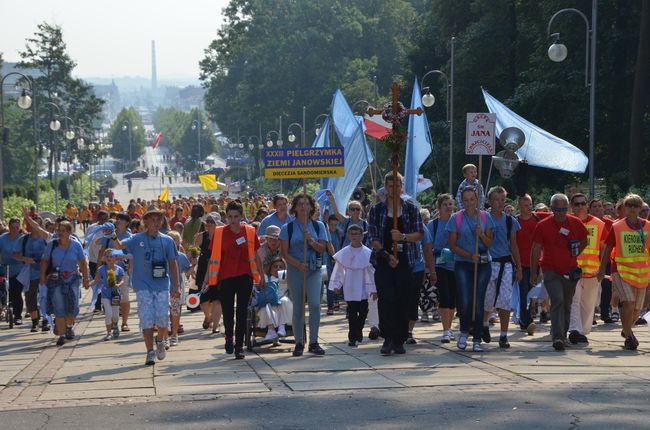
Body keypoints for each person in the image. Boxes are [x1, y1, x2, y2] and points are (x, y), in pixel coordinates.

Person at [113, 208, 180, 365]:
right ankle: (150, 352)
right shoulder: (137, 239)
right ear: (146, 222)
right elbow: (120, 245)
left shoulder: (167, 240)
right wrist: (113, 235)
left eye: (158, 220)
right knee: (147, 320)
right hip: (143, 285)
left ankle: (160, 341)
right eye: (152, 220)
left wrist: (176, 286)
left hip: (162, 285)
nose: (156, 223)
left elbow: (173, 263)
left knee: (163, 318)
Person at [368, 172, 424, 355]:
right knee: (386, 300)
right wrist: (386, 255)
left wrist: (403, 237)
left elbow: (419, 234)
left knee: (403, 300)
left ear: (402, 187)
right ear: (386, 187)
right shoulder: (377, 210)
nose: (394, 190)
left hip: (406, 260)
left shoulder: (411, 209)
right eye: (390, 186)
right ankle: (388, 338)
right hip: (384, 261)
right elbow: (373, 237)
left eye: (397, 186)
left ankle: (399, 339)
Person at [206, 201, 265, 360]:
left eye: (236, 216)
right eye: (230, 217)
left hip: (245, 276)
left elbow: (257, 255)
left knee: (242, 311)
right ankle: (229, 338)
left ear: (242, 216)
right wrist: (208, 280)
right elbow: (213, 258)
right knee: (228, 311)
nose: (233, 220)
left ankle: (239, 345)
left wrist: (261, 276)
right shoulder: (219, 233)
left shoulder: (250, 231)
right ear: (226, 216)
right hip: (225, 278)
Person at [530, 194, 588, 351]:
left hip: (570, 271)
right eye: (557, 209)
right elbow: (535, 248)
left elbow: (585, 240)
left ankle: (563, 334)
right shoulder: (543, 225)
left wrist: (576, 252)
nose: (561, 213)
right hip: (550, 270)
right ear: (552, 209)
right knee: (558, 300)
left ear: (567, 208)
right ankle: (557, 337)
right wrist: (534, 272)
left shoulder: (575, 223)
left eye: (563, 209)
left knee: (567, 304)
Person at [597, 193, 650, 350]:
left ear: (640, 208)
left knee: (636, 310)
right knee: (628, 302)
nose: (632, 208)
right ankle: (629, 336)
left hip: (641, 272)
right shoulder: (618, 226)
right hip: (620, 270)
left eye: (636, 206)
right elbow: (607, 249)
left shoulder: (647, 226)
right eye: (629, 206)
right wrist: (601, 270)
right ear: (625, 208)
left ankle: (626, 329)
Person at [279, 193, 328, 357]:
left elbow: (322, 248)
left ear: (311, 207)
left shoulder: (318, 226)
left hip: (314, 270)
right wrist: (298, 265)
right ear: (295, 207)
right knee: (298, 307)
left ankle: (314, 342)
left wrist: (311, 240)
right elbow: (284, 253)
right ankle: (299, 342)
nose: (303, 207)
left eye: (306, 204)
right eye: (300, 204)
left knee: (314, 304)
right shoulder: (288, 228)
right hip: (296, 270)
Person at [447, 187, 494, 352]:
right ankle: (464, 331)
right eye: (465, 200)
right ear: (462, 201)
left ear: (477, 200)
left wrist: (481, 235)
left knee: (478, 301)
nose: (469, 203)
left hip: (483, 263)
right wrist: (468, 255)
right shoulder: (456, 218)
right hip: (463, 263)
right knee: (465, 300)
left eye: (472, 199)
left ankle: (477, 338)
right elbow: (452, 245)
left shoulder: (485, 217)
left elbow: (489, 243)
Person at [482, 186, 522, 348]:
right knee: (488, 298)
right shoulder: (484, 218)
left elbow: (513, 245)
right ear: (490, 201)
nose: (499, 203)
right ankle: (484, 324)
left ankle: (504, 335)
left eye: (502, 200)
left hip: (505, 264)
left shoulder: (509, 220)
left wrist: (518, 267)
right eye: (496, 200)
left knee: (505, 300)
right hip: (488, 262)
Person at [39, 221, 90, 346]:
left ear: (69, 232)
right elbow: (45, 261)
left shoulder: (76, 245)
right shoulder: (52, 245)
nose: (60, 233)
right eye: (59, 230)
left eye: (63, 230)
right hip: (56, 279)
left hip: (72, 279)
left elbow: (83, 262)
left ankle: (69, 326)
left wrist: (86, 279)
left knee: (73, 308)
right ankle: (61, 335)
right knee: (59, 306)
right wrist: (42, 277)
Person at [329, 224, 377, 347]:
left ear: (362, 236)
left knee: (363, 311)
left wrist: (373, 288)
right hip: (349, 285)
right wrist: (337, 285)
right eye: (352, 234)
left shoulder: (367, 252)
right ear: (349, 236)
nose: (354, 236)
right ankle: (352, 337)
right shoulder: (344, 252)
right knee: (351, 313)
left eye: (357, 234)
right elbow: (339, 270)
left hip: (362, 286)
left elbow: (371, 272)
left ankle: (359, 330)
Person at [568, 193, 606, 345]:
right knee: (574, 301)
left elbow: (604, 248)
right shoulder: (568, 222)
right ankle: (574, 330)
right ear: (572, 206)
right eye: (576, 204)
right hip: (573, 270)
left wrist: (602, 269)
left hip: (592, 271)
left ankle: (582, 331)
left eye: (583, 203)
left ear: (587, 206)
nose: (580, 206)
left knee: (589, 305)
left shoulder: (599, 224)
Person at [428, 193, 456, 343]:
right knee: (444, 295)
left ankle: (450, 328)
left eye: (450, 204)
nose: (448, 207)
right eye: (445, 204)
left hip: (456, 265)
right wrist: (431, 270)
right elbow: (428, 247)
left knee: (453, 298)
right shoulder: (433, 225)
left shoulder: (458, 222)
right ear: (439, 207)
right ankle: (445, 330)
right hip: (439, 264)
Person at [12, 216, 48, 332]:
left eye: (36, 224)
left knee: (45, 297)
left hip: (44, 273)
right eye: (31, 225)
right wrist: (24, 259)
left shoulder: (45, 238)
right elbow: (14, 254)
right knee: (30, 298)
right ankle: (35, 322)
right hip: (30, 273)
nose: (34, 227)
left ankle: (45, 321)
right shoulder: (24, 239)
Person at [193, 212, 223, 331]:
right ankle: (208, 318)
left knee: (217, 301)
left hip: (219, 270)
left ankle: (215, 326)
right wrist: (193, 258)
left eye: (212, 222)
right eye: (208, 221)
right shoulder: (201, 236)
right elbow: (193, 250)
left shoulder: (221, 236)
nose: (209, 224)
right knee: (204, 302)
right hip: (203, 269)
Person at [89, 249, 124, 341]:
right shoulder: (101, 269)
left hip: (115, 294)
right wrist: (88, 284)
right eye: (107, 256)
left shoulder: (119, 269)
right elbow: (96, 280)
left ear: (115, 258)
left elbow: (122, 280)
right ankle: (109, 333)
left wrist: (119, 285)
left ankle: (115, 325)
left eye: (111, 256)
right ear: (104, 258)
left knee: (115, 315)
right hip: (105, 294)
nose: (109, 258)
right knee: (108, 313)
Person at [258, 257, 293, 343]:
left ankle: (282, 327)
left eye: (280, 267)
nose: (278, 268)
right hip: (270, 302)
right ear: (270, 268)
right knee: (268, 304)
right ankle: (271, 330)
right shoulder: (265, 277)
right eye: (275, 266)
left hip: (283, 302)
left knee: (283, 301)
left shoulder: (286, 278)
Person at [0, 218, 25, 325]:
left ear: (19, 228)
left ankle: (17, 315)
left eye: (16, 227)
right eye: (12, 227)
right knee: (3, 290)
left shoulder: (23, 239)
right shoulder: (2, 239)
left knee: (15, 292)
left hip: (19, 269)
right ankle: (3, 307)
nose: (14, 229)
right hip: (4, 268)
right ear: (8, 227)